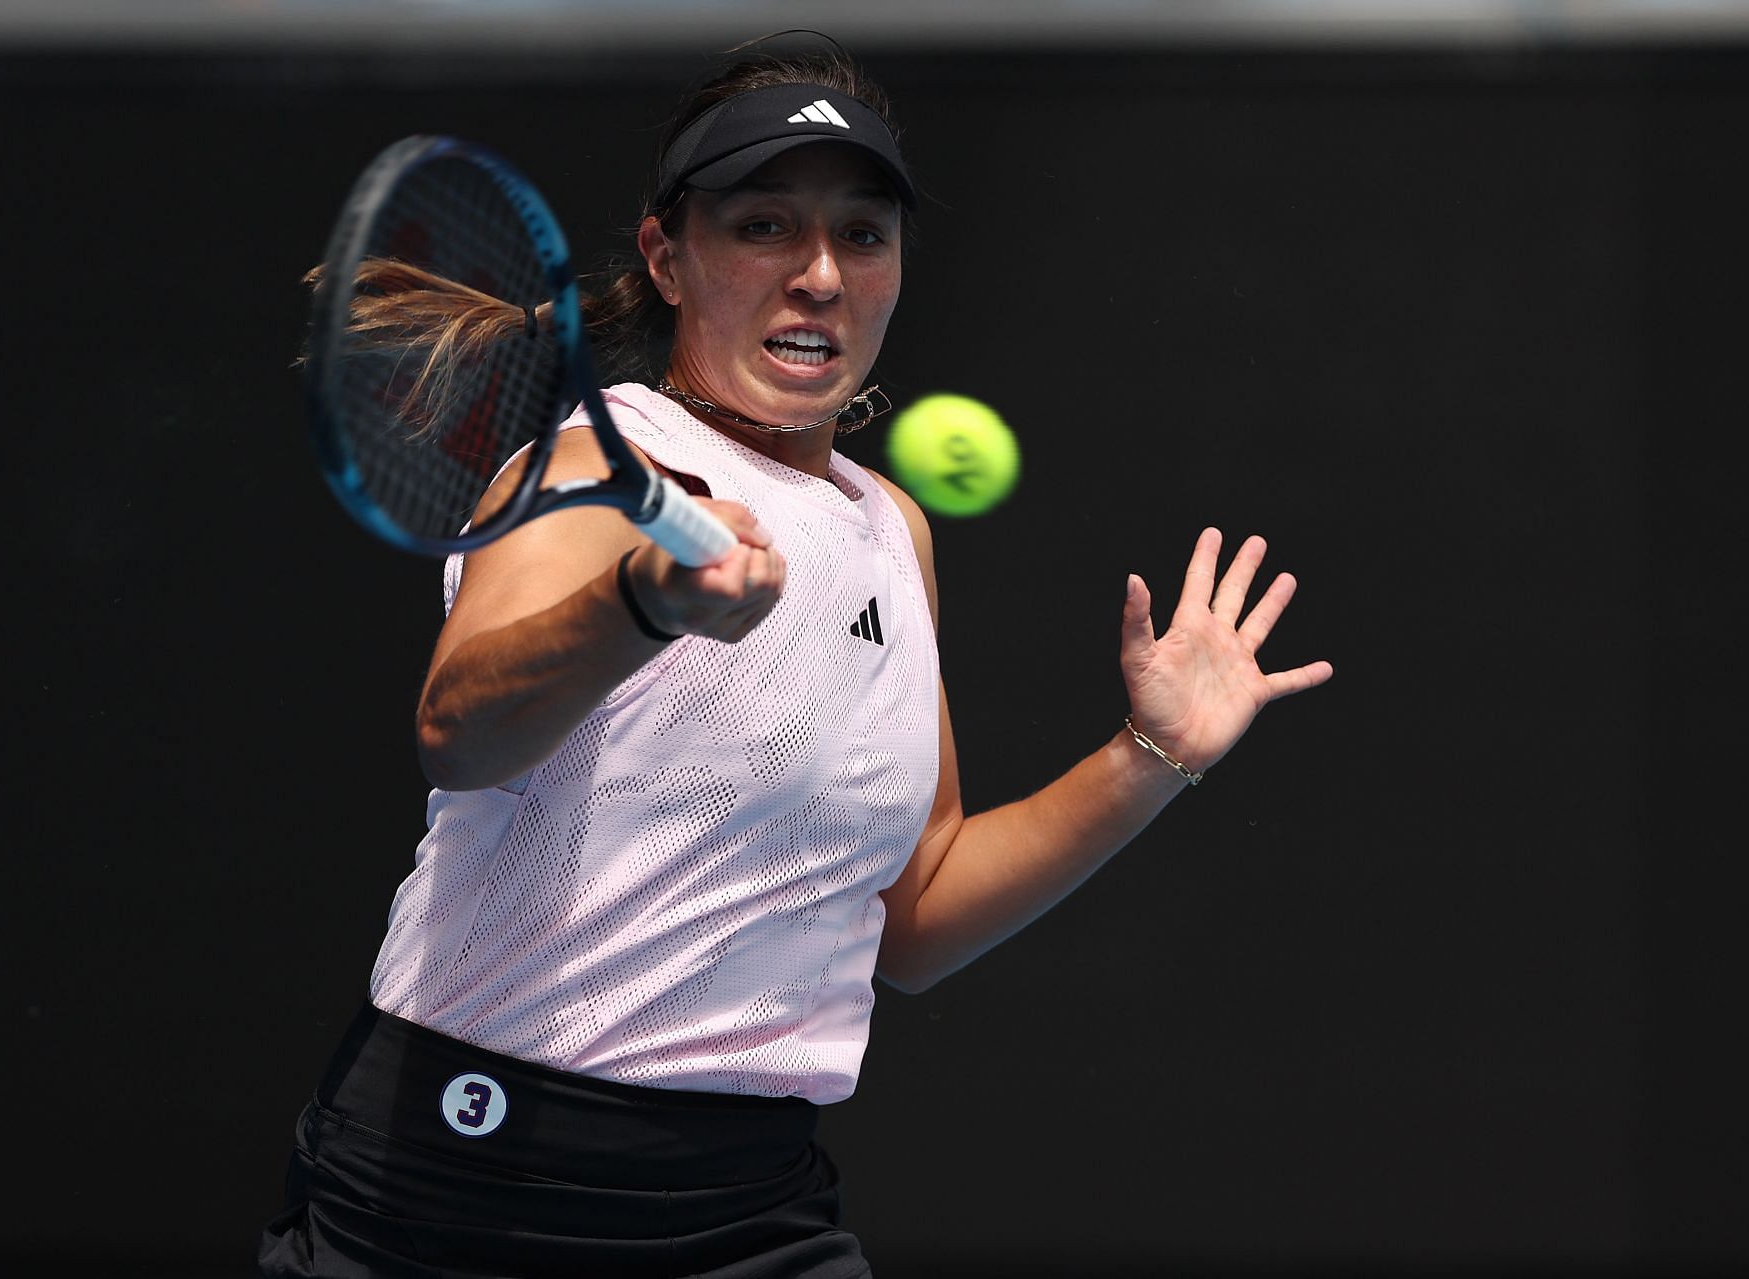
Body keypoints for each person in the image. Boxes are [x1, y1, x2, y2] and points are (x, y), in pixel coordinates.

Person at [259, 34, 1333, 1279]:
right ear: (670, 257)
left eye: (861, 236)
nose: (819, 273)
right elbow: (460, 729)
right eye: (764, 227)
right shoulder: (592, 474)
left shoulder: (891, 531)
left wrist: (1151, 758)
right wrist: (637, 608)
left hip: (748, 1202)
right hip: (469, 1184)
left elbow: (916, 917)